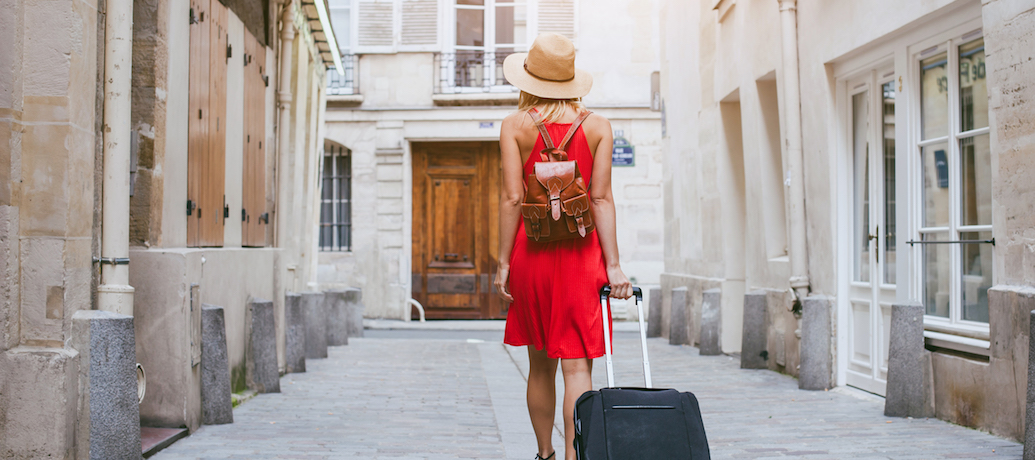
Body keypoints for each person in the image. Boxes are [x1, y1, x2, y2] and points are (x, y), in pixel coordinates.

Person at [494, 32, 633, 460]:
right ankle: (576, 458)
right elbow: (601, 198)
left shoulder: (514, 126)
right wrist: (615, 267)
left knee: (540, 367)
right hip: (582, 256)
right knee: (578, 368)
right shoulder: (598, 126)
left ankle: (545, 454)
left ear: (529, 80)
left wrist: (502, 264)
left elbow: (513, 198)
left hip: (531, 257)